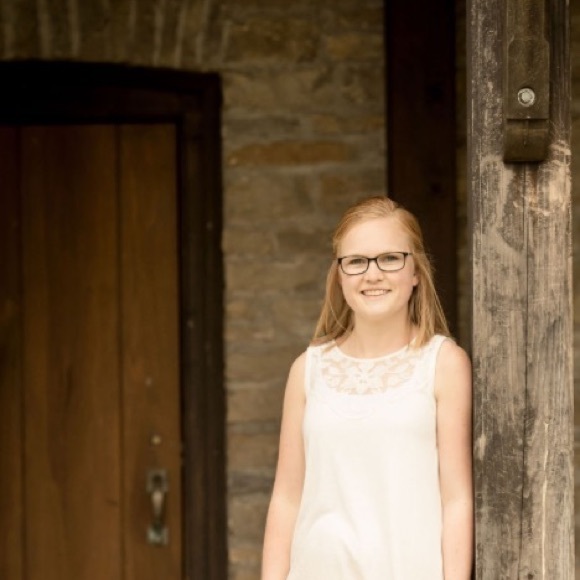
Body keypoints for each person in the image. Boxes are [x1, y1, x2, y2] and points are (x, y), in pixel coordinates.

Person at [261, 196, 473, 579]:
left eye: (390, 258)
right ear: (339, 275)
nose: (372, 274)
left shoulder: (444, 364)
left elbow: (456, 499)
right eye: (356, 261)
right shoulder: (308, 369)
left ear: (416, 272)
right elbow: (286, 499)